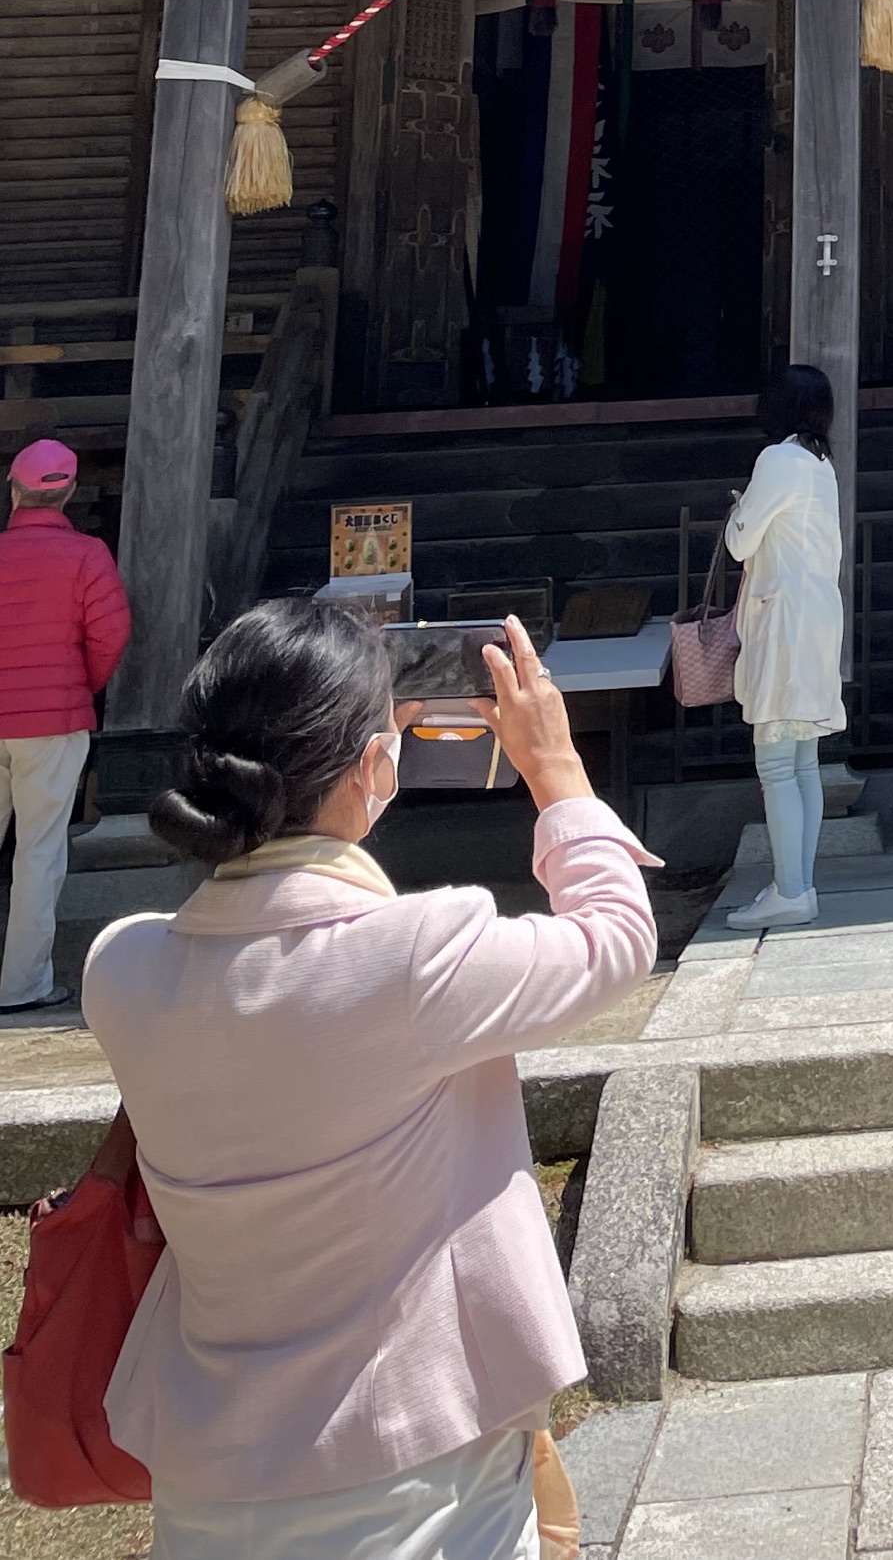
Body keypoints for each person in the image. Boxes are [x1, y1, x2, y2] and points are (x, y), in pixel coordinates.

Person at [84, 594, 657, 1557]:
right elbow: (617, 937)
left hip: (209, 1480)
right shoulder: (415, 958)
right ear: (367, 768)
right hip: (411, 1469)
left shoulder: (123, 969)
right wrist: (556, 771)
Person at [0, 436, 128, 1012]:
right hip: (52, 723)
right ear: (70, 493)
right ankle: (22, 987)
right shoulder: (87, 556)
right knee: (38, 853)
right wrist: (82, 687)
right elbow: (110, 636)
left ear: (14, 490)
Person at [724, 363, 847, 933]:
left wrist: (736, 512)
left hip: (784, 622)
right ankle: (797, 884)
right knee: (803, 764)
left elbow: (741, 541)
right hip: (817, 619)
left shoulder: (777, 460)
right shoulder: (821, 464)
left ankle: (791, 889)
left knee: (776, 765)